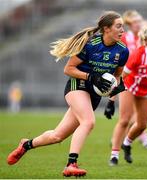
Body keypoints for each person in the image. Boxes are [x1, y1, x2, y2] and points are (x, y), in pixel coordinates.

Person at [7, 11, 129, 177]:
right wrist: (91, 77)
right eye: (119, 26)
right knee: (88, 122)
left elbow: (117, 76)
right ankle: (71, 164)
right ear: (106, 29)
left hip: (94, 94)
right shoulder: (90, 44)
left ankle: (26, 145)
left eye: (123, 26)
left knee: (57, 136)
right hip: (77, 86)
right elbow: (68, 69)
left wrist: (113, 95)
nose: (123, 29)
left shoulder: (122, 51)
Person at [107, 25, 147, 166]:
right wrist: (111, 101)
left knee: (142, 125)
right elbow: (120, 77)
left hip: (146, 91)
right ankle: (114, 155)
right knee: (124, 120)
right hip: (128, 87)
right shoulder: (137, 54)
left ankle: (127, 143)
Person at [105, 10, 147, 152]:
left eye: (140, 21)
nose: (138, 24)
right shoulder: (124, 39)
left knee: (137, 117)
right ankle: (137, 140)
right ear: (129, 24)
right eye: (135, 22)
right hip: (127, 80)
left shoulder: (144, 39)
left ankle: (125, 140)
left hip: (142, 81)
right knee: (127, 118)